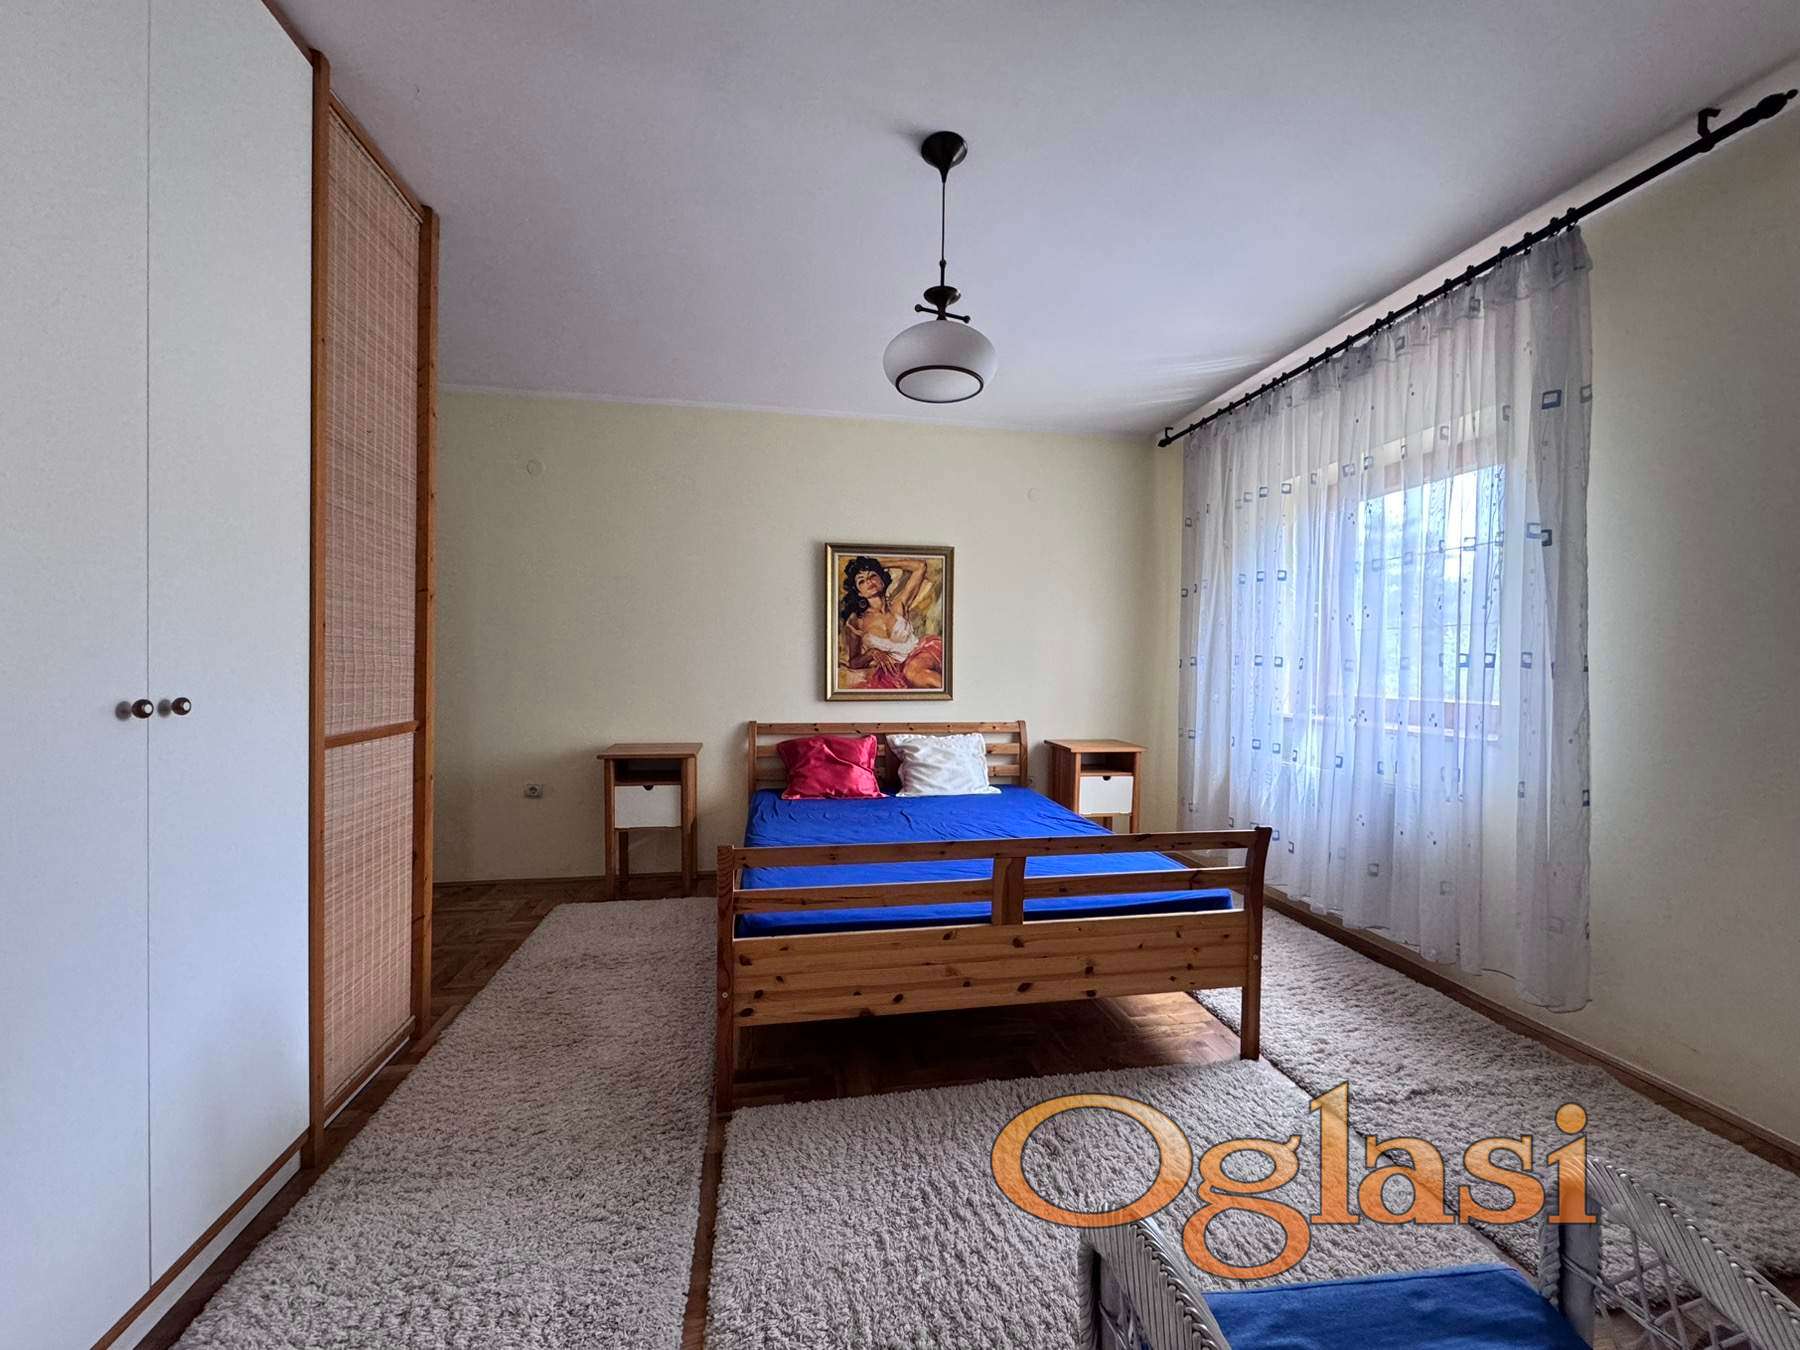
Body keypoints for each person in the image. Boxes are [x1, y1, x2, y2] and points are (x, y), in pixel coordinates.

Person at [838, 554, 944, 690]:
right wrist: (872, 653)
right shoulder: (856, 620)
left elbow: (920, 566)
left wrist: (876, 563)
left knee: (913, 672)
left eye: (873, 576)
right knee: (910, 675)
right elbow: (853, 663)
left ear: (882, 580)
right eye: (861, 581)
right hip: (893, 673)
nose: (869, 582)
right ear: (859, 593)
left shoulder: (899, 603)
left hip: (920, 656)